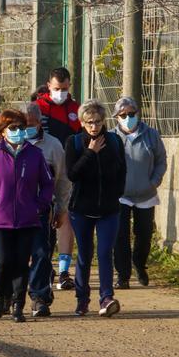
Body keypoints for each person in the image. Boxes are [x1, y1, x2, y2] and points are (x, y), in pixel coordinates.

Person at [0, 110, 55, 322]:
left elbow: (47, 183)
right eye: (13, 128)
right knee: (3, 261)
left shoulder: (34, 154)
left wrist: (39, 205)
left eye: (21, 127)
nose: (18, 131)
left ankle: (18, 304)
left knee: (21, 262)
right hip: (0, 218)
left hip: (27, 218)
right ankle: (0, 297)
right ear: (2, 131)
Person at [65, 99, 127, 317]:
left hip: (108, 210)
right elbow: (72, 174)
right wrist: (90, 153)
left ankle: (106, 297)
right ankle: (82, 299)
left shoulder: (115, 141)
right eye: (90, 122)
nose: (94, 126)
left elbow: (122, 172)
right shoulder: (73, 143)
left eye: (98, 122)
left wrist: (115, 195)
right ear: (82, 122)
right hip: (81, 209)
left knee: (104, 253)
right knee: (84, 254)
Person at [33, 67, 81, 290]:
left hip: (70, 171)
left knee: (65, 218)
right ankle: (43, 266)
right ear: (48, 86)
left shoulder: (76, 109)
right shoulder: (38, 108)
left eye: (64, 89)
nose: (60, 93)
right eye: (56, 89)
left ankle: (63, 270)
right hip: (42, 172)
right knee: (42, 222)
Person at [113, 96, 167, 289]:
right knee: (120, 235)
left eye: (131, 114)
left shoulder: (151, 134)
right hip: (121, 196)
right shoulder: (112, 137)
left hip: (146, 194)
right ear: (117, 117)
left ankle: (139, 263)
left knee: (144, 234)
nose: (128, 118)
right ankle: (123, 275)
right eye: (123, 115)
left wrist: (154, 181)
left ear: (138, 114)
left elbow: (161, 160)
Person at [23, 103, 71, 317]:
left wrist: (61, 208)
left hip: (43, 208)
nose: (26, 129)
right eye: (22, 124)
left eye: (31, 124)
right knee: (14, 256)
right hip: (13, 209)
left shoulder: (52, 146)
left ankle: (40, 297)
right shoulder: (5, 142)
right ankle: (9, 295)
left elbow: (62, 180)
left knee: (42, 253)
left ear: (39, 122)